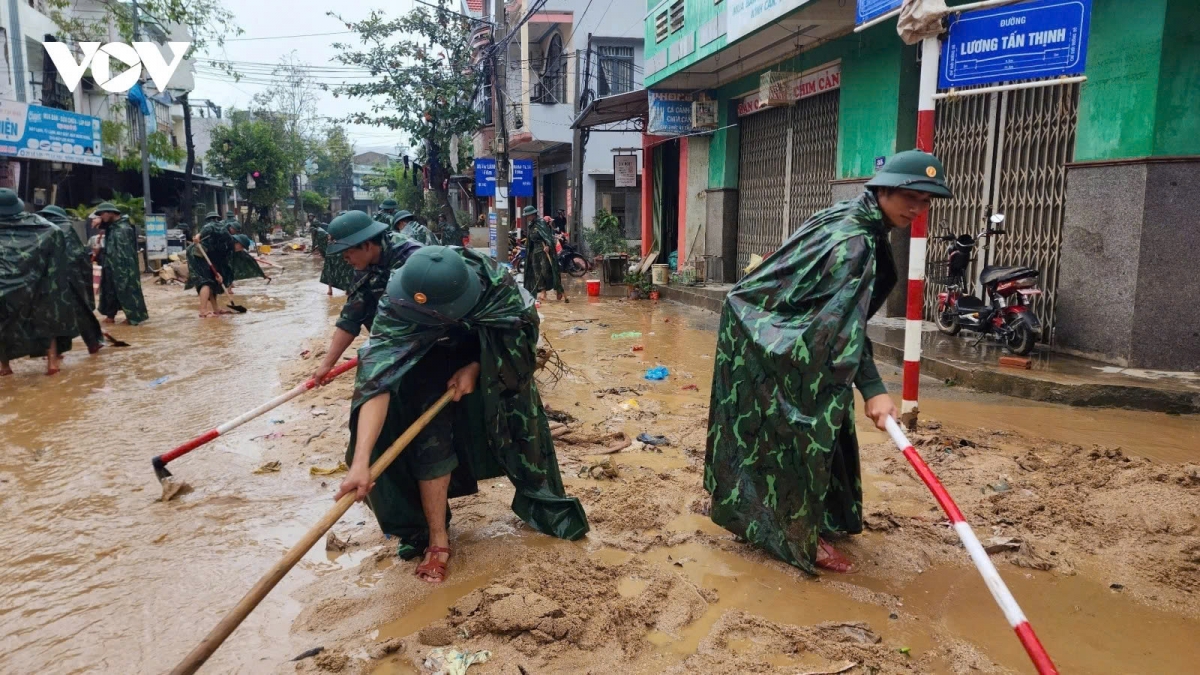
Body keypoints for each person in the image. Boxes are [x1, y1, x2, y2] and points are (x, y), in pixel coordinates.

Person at [704, 150, 953, 574]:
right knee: (798, 433)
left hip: (787, 333)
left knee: (828, 427)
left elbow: (843, 321)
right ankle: (796, 534)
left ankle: (820, 518)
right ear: (886, 188)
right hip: (770, 339)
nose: (918, 208)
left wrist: (866, 384)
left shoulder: (860, 221)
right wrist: (873, 389)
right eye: (911, 195)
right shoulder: (853, 241)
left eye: (927, 201)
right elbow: (840, 331)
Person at [335, 245, 588, 582]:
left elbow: (520, 341)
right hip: (424, 356)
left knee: (519, 429)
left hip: (488, 348)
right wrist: (361, 462)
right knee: (429, 440)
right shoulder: (399, 301)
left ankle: (540, 500)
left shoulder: (497, 286)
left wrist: (476, 367)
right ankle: (437, 536)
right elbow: (376, 381)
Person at [311, 210, 422, 385]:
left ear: (367, 245)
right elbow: (351, 316)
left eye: (348, 254)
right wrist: (327, 365)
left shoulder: (411, 258)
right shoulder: (363, 267)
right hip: (396, 342)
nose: (346, 260)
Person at [0, 190, 80, 376]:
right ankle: (52, 363)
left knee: (2, 323)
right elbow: (57, 241)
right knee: (46, 319)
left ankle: (4, 367)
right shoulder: (42, 227)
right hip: (36, 285)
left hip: (3, 289)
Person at [37, 205, 104, 354]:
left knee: (52, 315)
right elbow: (78, 256)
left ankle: (56, 353)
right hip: (70, 279)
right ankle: (93, 343)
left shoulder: (42, 230)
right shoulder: (65, 229)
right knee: (80, 311)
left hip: (49, 281)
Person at [94, 202, 148, 325]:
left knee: (126, 290)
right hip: (110, 266)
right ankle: (110, 315)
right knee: (109, 291)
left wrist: (122, 270)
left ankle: (132, 317)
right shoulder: (113, 227)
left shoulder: (123, 229)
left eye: (102, 214)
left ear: (111, 213)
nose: (101, 216)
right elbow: (104, 225)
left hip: (123, 268)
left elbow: (125, 255)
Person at [186, 212, 236, 317]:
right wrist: (199, 235)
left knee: (213, 281)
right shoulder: (218, 226)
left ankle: (216, 309)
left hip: (206, 256)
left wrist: (218, 273)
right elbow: (210, 226)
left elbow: (219, 260)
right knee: (205, 281)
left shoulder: (227, 244)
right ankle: (203, 311)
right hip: (197, 254)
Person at [520, 206, 565, 303]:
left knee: (546, 271)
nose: (527, 217)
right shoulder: (531, 225)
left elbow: (547, 236)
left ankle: (558, 288)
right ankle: (543, 291)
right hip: (535, 251)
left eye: (528, 215)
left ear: (533, 214)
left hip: (544, 250)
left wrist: (548, 245)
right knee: (536, 272)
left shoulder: (541, 223)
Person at [318, 212, 357, 297]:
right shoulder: (350, 226)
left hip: (333, 251)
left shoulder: (334, 226)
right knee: (347, 271)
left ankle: (330, 290)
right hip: (342, 251)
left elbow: (329, 239)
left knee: (330, 270)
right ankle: (347, 290)